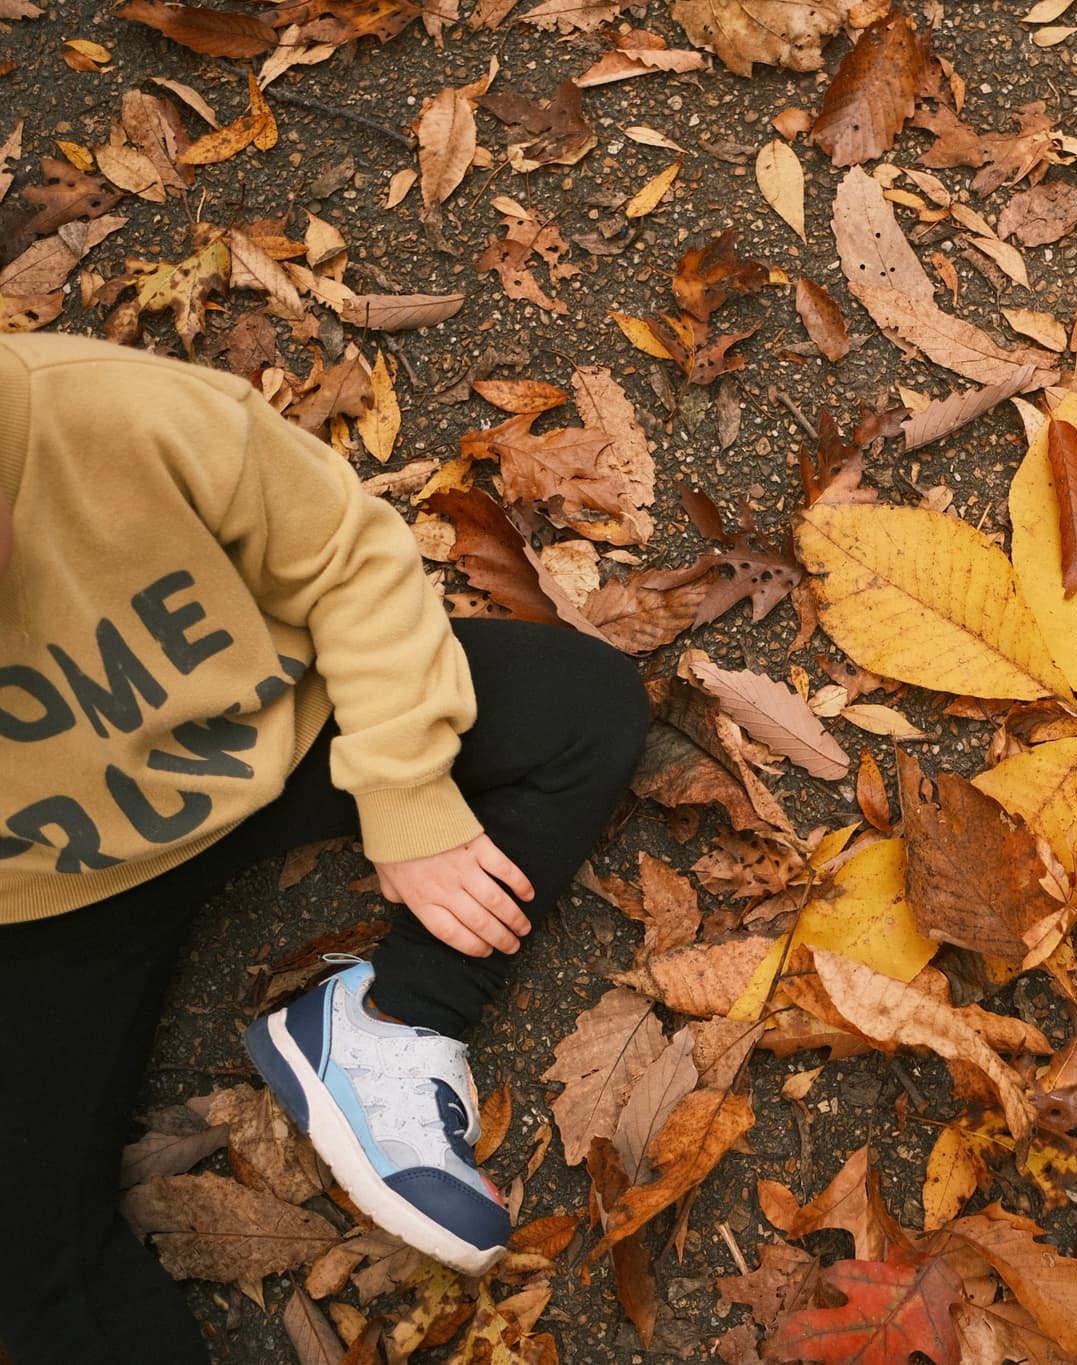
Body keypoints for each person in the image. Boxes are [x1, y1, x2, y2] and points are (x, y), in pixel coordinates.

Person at [0, 331, 650, 1364]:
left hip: (279, 731)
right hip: (53, 892)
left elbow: (349, 558)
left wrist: (408, 795)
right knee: (29, 1277)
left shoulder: (118, 412)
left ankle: (389, 1023)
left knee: (585, 705)